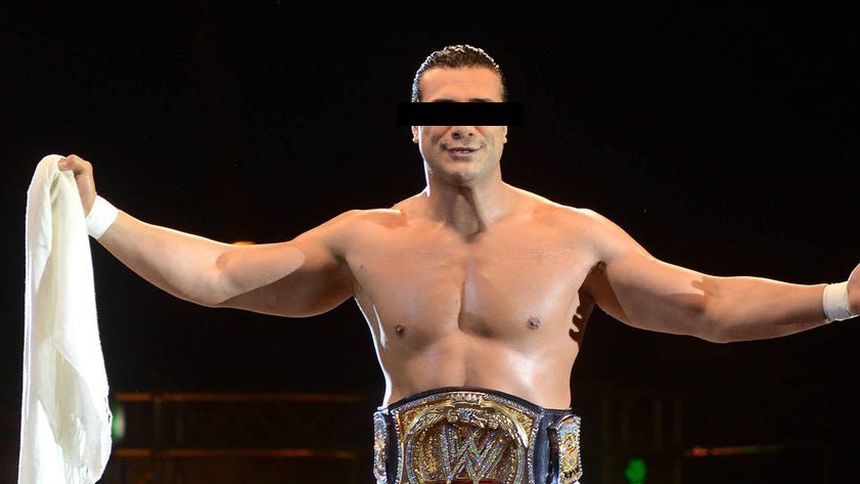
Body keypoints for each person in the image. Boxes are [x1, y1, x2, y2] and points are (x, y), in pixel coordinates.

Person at [59, 44, 857, 484]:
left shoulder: (576, 237)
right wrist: (96, 216)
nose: (461, 127)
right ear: (415, 127)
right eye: (441, 112)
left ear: (506, 127)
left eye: (480, 112)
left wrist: (839, 299)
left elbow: (707, 304)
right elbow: (220, 275)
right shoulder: (365, 240)